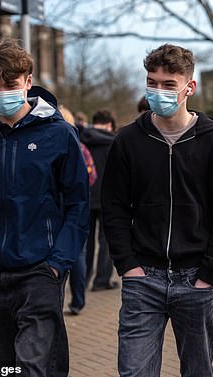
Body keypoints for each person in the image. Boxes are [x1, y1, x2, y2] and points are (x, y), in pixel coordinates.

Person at [101, 43, 213, 377]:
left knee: (197, 371)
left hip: (195, 278)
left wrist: (209, 273)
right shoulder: (128, 140)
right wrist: (127, 265)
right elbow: (115, 208)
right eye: (152, 82)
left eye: (168, 84)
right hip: (143, 279)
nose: (158, 90)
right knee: (134, 372)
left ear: (189, 88)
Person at [0, 38, 89, 376]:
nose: (1, 92)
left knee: (34, 364)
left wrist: (58, 263)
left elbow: (77, 205)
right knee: (5, 367)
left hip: (39, 271)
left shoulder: (59, 134)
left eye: (10, 84)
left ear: (28, 82)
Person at [58, 105, 97, 315]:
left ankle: (55, 300)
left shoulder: (52, 144)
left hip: (55, 208)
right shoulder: (81, 148)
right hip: (78, 206)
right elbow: (91, 176)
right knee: (78, 255)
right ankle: (78, 301)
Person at [81, 109, 118, 291]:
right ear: (109, 124)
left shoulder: (80, 139)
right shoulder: (114, 143)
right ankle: (102, 280)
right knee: (106, 240)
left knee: (86, 242)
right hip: (108, 198)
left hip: (85, 197)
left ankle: (84, 277)